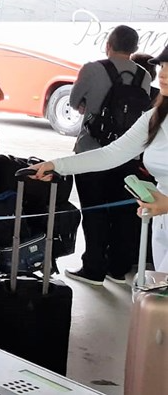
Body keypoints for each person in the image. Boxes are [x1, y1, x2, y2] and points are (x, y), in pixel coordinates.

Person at [31, 46, 168, 272]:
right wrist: (57, 166)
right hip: (161, 224)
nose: (162, 73)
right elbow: (111, 153)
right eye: (162, 66)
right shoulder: (156, 116)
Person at [64, 25, 152, 286]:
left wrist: (88, 105)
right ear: (134, 48)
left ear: (108, 45)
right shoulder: (144, 77)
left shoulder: (92, 68)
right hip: (127, 154)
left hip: (92, 150)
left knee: (94, 210)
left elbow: (73, 100)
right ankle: (117, 268)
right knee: (122, 212)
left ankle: (93, 268)